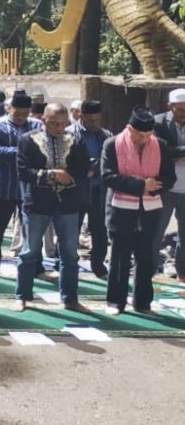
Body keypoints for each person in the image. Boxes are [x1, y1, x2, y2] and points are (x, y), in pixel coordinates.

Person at [13, 103, 91, 312]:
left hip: (67, 204)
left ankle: (70, 299)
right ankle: (23, 295)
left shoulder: (75, 139)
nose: (59, 128)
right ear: (44, 120)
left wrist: (68, 177)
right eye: (55, 123)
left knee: (69, 254)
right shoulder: (28, 140)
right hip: (37, 203)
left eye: (63, 123)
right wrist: (52, 174)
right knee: (29, 252)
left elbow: (84, 168)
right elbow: (22, 171)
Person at [102, 107, 176, 315]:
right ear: (129, 129)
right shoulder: (112, 144)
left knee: (146, 258)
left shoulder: (159, 145)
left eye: (148, 135)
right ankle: (116, 302)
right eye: (140, 135)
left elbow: (169, 178)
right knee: (119, 258)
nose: (144, 140)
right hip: (121, 210)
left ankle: (143, 303)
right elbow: (108, 177)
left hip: (150, 210)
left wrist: (154, 186)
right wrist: (142, 185)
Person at [0, 91, 42, 276]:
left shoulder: (36, 126)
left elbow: (41, 151)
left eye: (25, 114)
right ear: (9, 109)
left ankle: (37, 267)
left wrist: (20, 154)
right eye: (17, 114)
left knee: (32, 230)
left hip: (29, 188)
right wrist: (24, 152)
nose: (21, 118)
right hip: (3, 187)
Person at [66, 100, 111, 279]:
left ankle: (98, 265)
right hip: (76, 188)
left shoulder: (105, 134)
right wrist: (85, 167)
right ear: (81, 116)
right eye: (90, 120)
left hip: (99, 190)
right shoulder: (69, 133)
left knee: (99, 229)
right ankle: (69, 264)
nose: (93, 123)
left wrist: (97, 165)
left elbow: (110, 160)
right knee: (72, 228)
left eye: (97, 120)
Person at [153, 88, 185, 279]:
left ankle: (182, 272)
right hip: (166, 188)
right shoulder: (157, 122)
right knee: (156, 232)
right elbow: (159, 150)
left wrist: (176, 153)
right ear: (169, 106)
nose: (183, 114)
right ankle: (149, 270)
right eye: (180, 110)